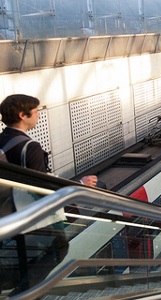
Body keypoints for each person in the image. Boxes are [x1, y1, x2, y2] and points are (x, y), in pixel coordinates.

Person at [0, 94, 97, 295]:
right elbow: (41, 187)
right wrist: (80, 184)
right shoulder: (31, 147)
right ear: (22, 115)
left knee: (24, 251)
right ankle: (23, 294)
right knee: (58, 247)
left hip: (8, 212)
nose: (38, 116)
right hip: (29, 213)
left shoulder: (3, 139)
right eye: (35, 112)